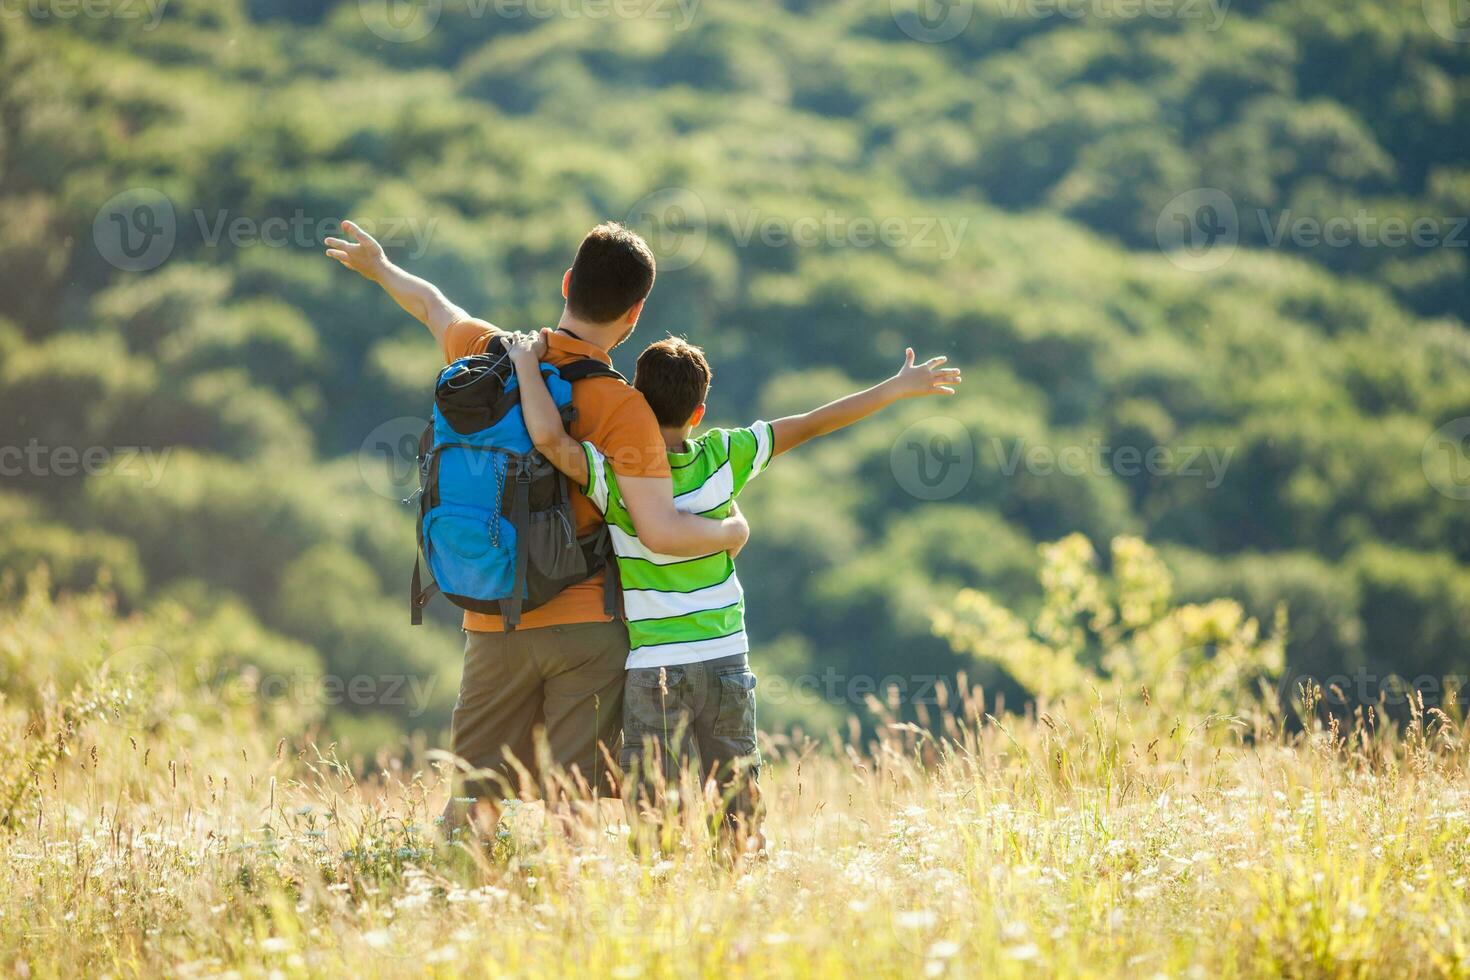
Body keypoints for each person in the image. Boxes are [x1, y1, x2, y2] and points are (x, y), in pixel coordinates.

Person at [324, 220, 749, 825]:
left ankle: (452, 897)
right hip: (585, 628)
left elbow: (431, 305)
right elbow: (658, 529)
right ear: (634, 315)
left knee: (474, 795)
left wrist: (381, 265)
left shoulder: (493, 356)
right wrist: (732, 533)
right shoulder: (625, 408)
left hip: (492, 613)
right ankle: (561, 911)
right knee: (570, 808)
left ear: (568, 282)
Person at [506, 329, 961, 848]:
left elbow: (549, 440)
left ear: (634, 400)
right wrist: (895, 388)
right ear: (698, 412)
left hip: (656, 665)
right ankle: (740, 887)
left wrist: (524, 363)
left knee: (656, 812)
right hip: (726, 657)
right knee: (738, 804)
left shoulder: (615, 471)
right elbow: (812, 423)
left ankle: (666, 901)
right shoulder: (725, 454)